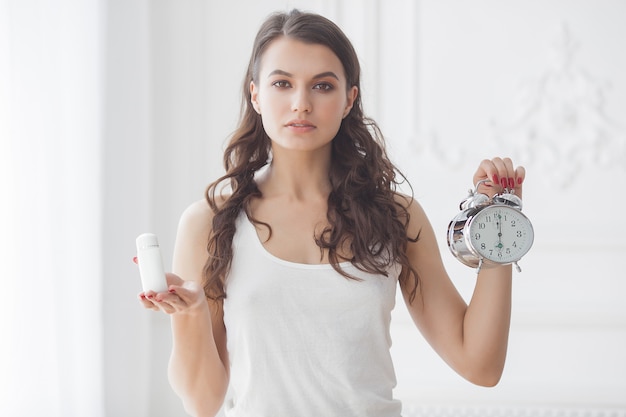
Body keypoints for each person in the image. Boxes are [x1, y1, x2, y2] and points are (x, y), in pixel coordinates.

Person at [138, 9, 526, 417]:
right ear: (255, 95)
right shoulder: (209, 224)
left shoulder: (396, 216)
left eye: (322, 86)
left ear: (349, 99)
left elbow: (480, 365)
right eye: (282, 83)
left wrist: (500, 221)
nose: (301, 104)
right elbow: (202, 403)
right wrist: (192, 315)